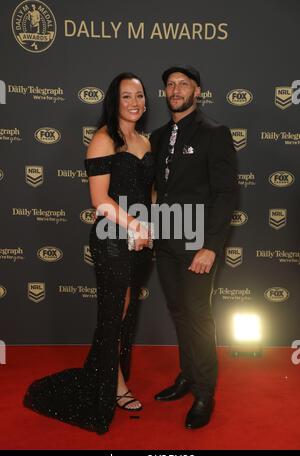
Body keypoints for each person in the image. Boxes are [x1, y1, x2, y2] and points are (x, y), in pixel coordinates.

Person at [23, 72, 155, 434]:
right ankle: (113, 386)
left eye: (139, 95)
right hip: (113, 236)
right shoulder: (103, 139)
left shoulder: (145, 141)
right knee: (113, 315)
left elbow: (149, 192)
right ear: (114, 101)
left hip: (139, 240)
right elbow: (99, 200)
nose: (134, 102)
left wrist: (154, 226)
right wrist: (136, 226)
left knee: (125, 312)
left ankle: (110, 377)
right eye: (126, 95)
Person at [150, 65, 238, 429]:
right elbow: (158, 189)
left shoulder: (214, 133)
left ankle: (205, 391)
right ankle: (186, 376)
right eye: (170, 84)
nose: (175, 89)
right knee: (179, 312)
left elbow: (226, 193)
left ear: (197, 91)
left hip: (197, 243)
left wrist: (211, 247)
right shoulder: (156, 137)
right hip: (166, 241)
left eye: (183, 84)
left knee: (199, 316)